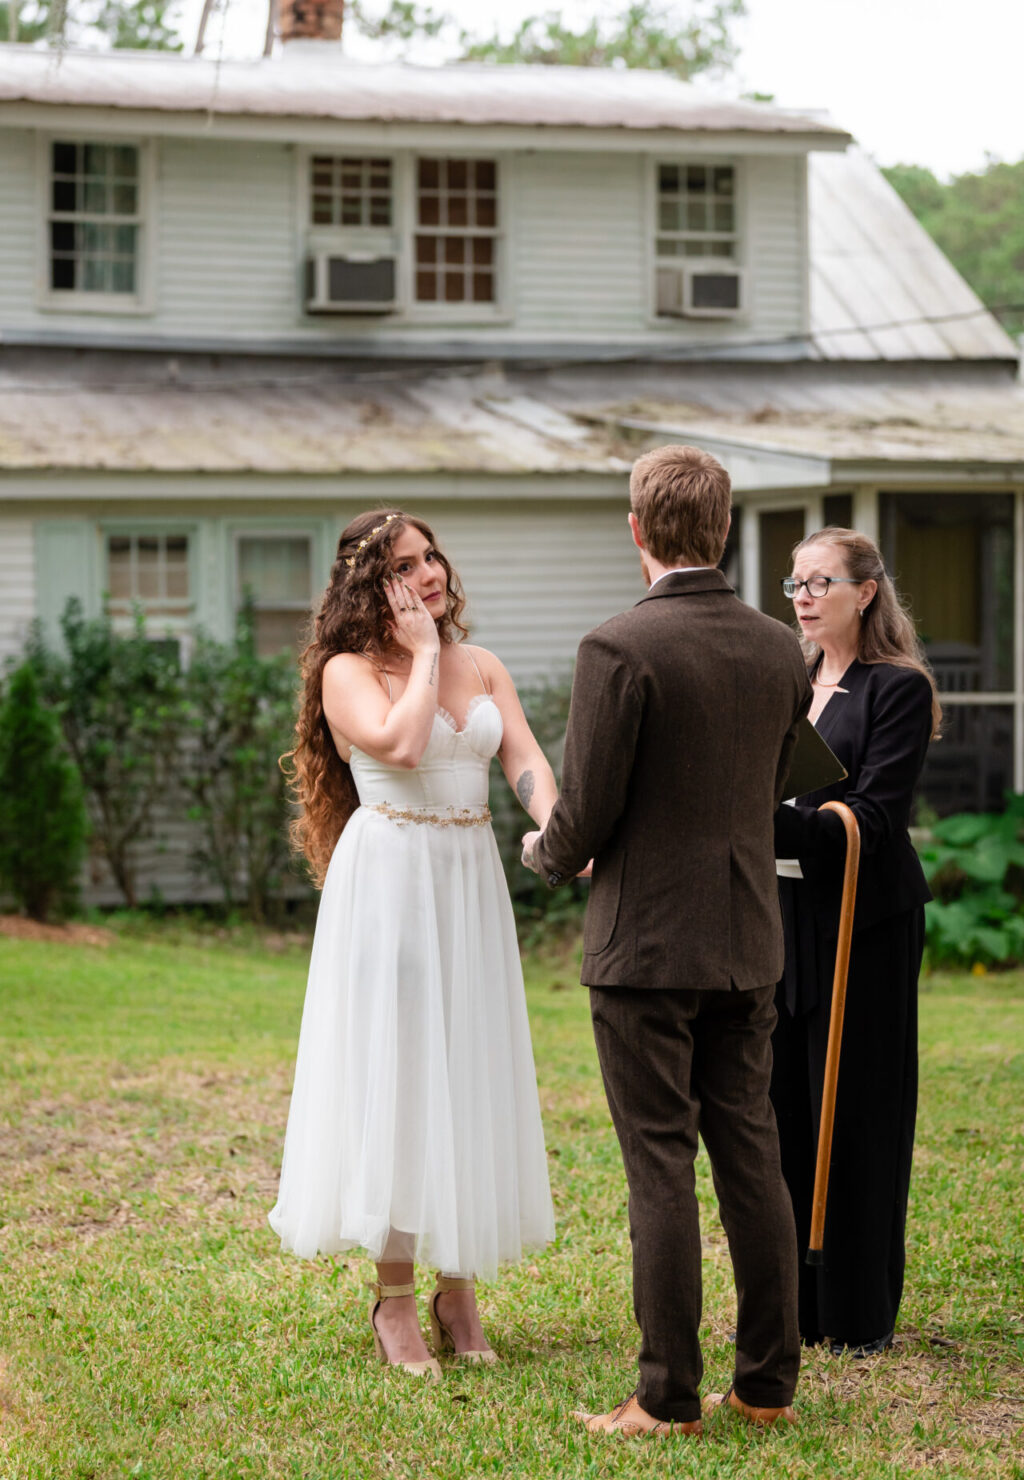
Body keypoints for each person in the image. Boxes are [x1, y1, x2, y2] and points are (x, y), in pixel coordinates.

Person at [522, 445, 812, 1437]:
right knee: (750, 1154)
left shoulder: (617, 648)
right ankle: (768, 1386)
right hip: (747, 940)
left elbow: (585, 816)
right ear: (722, 530)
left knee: (658, 1163)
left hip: (645, 949)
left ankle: (666, 1397)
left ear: (636, 530)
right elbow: (768, 783)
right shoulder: (781, 648)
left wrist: (540, 849)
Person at [269, 510, 556, 1378]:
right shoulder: (348, 672)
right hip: (391, 879)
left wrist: (563, 830)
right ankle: (395, 1298)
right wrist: (425, 655)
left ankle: (457, 1287)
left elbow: (527, 765)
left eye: (430, 556)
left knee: (466, 1067)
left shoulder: (488, 666)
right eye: (403, 566)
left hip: (469, 879)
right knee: (399, 1076)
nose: (427, 573)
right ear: (371, 585)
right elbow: (396, 740)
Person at [771, 527, 941, 1357]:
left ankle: (857, 1308)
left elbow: (876, 813)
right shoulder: (786, 678)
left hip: (861, 925)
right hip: (785, 920)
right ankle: (797, 1304)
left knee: (858, 1110)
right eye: (794, 583)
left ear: (864, 591)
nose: (802, 597)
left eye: (820, 582)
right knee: (785, 1107)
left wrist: (775, 821)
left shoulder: (896, 689)